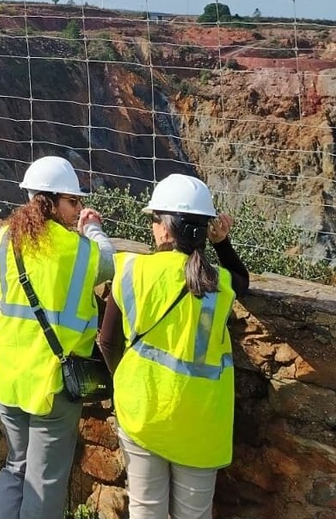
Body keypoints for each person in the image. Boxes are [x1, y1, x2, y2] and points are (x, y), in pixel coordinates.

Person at [98, 174, 250, 519]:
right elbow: (243, 280)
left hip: (141, 408)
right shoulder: (218, 284)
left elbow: (107, 342)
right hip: (201, 419)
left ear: (165, 230)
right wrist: (222, 243)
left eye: (154, 219)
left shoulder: (131, 270)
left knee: (145, 509)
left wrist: (125, 379)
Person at [0, 156, 115, 519]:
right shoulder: (79, 250)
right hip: (52, 383)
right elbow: (109, 262)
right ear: (49, 201)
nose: (78, 208)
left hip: (9, 376)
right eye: (73, 201)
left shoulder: (3, 240)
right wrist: (93, 229)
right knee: (44, 482)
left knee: (15, 466)